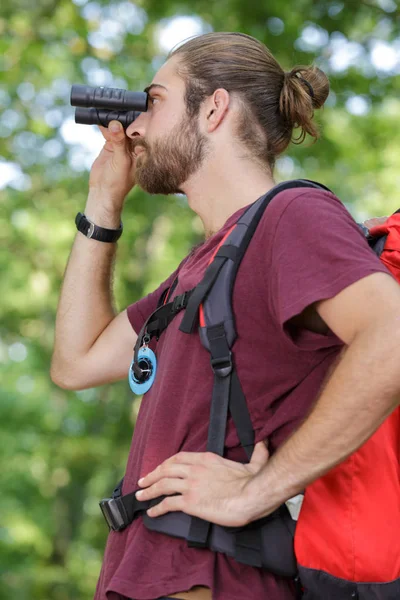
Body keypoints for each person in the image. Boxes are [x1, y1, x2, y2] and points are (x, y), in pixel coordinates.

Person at [51, 32, 400, 600]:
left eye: (154, 101)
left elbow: (392, 334)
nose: (133, 127)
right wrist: (103, 200)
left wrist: (257, 491)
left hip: (218, 580)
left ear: (214, 108)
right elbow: (76, 361)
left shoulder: (292, 215)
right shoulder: (202, 268)